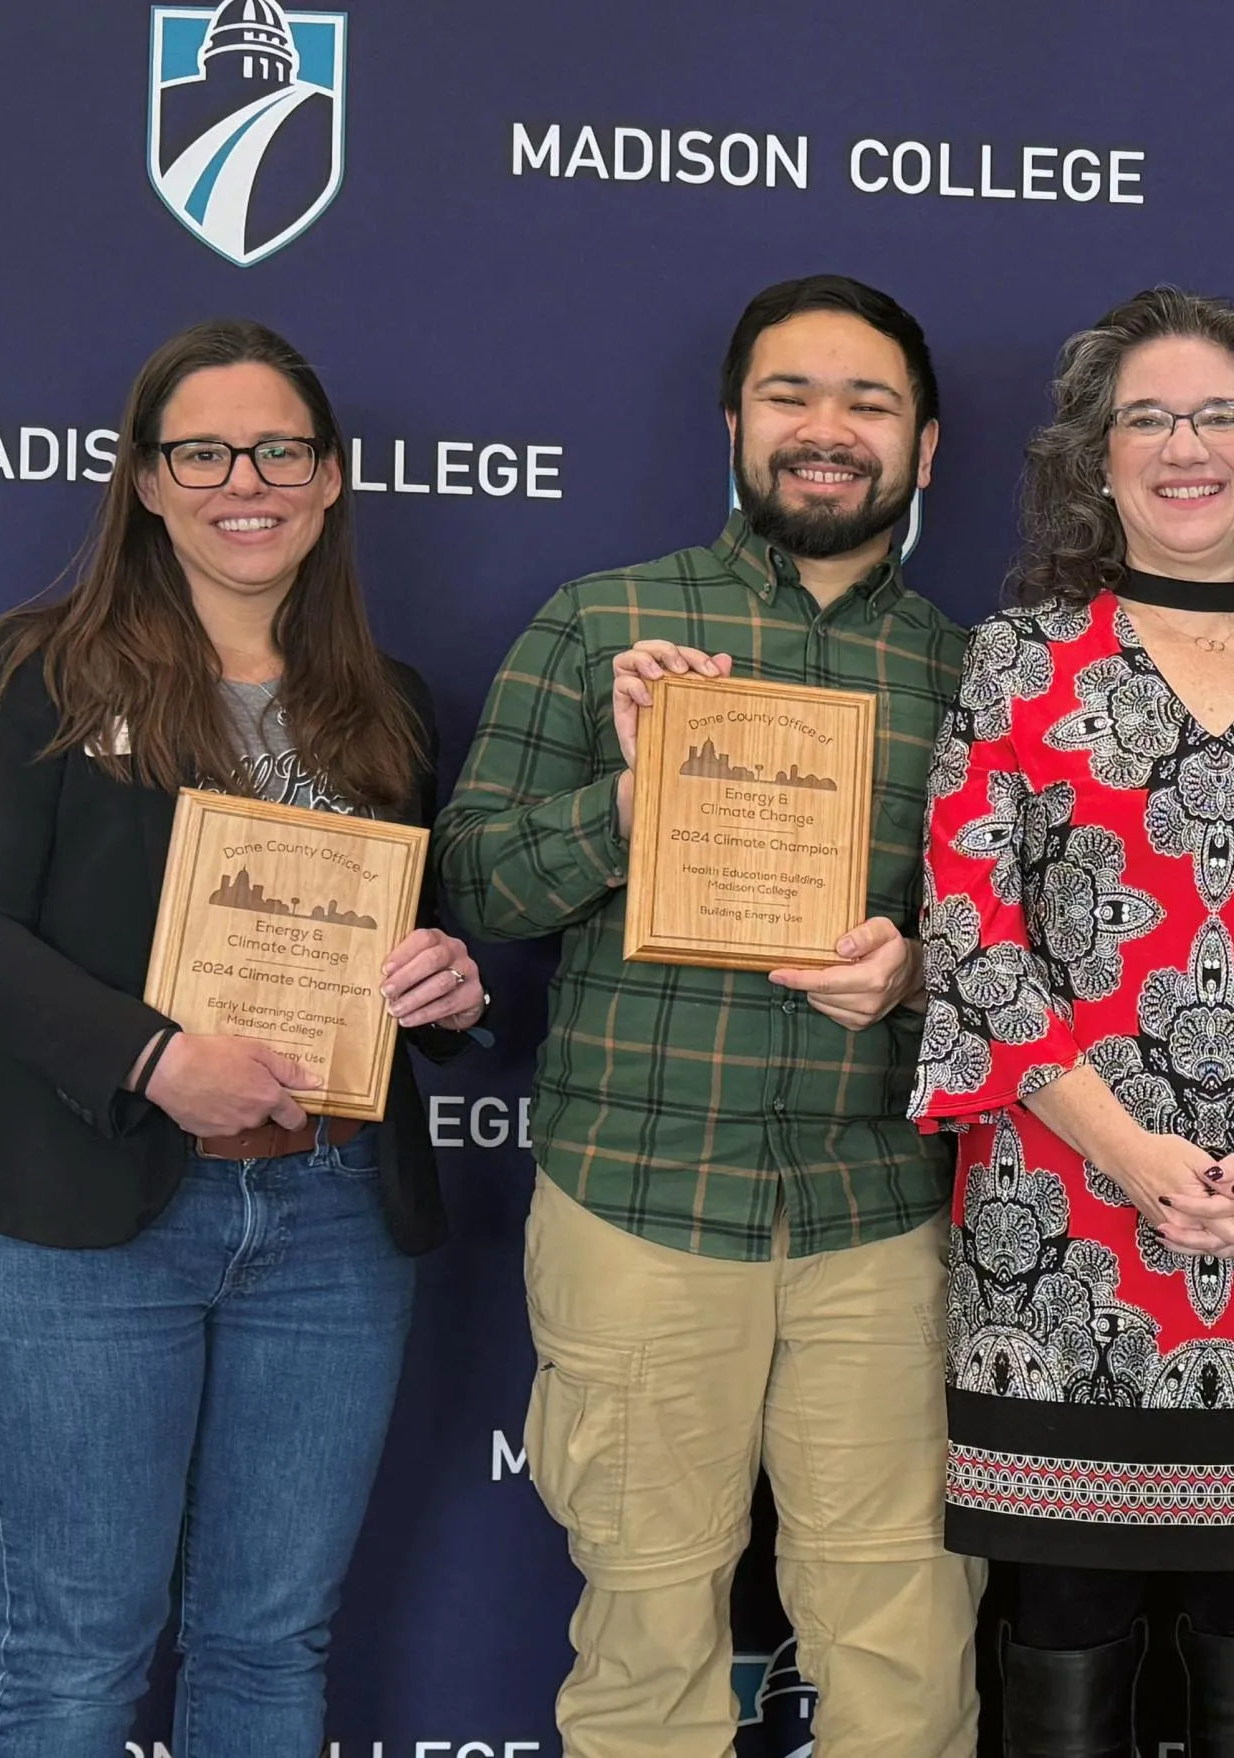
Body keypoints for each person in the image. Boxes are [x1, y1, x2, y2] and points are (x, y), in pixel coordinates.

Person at [0, 318, 488, 1758]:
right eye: (205, 451)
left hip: (331, 1223)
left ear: (333, 477)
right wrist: (157, 1056)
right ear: (149, 482)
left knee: (269, 1645)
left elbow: (426, 956)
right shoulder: (41, 672)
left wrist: (453, 995)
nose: (249, 478)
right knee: (73, 1657)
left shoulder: (391, 705)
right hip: (83, 1231)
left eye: (282, 448)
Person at [434, 275, 979, 1757]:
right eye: (791, 396)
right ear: (734, 422)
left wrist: (918, 973)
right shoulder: (604, 621)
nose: (827, 430)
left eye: (868, 403)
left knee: (906, 1641)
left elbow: (1022, 950)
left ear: (923, 448)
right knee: (647, 1639)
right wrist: (629, 793)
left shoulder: (969, 669)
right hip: (642, 1204)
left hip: (878, 1212)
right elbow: (478, 880)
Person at [912, 285, 1234, 1758]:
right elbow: (973, 933)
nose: (1184, 445)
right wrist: (1127, 1149)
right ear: (1097, 458)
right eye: (1148, 417)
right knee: (1060, 1612)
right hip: (1060, 1231)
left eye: (1218, 415)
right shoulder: (1020, 660)